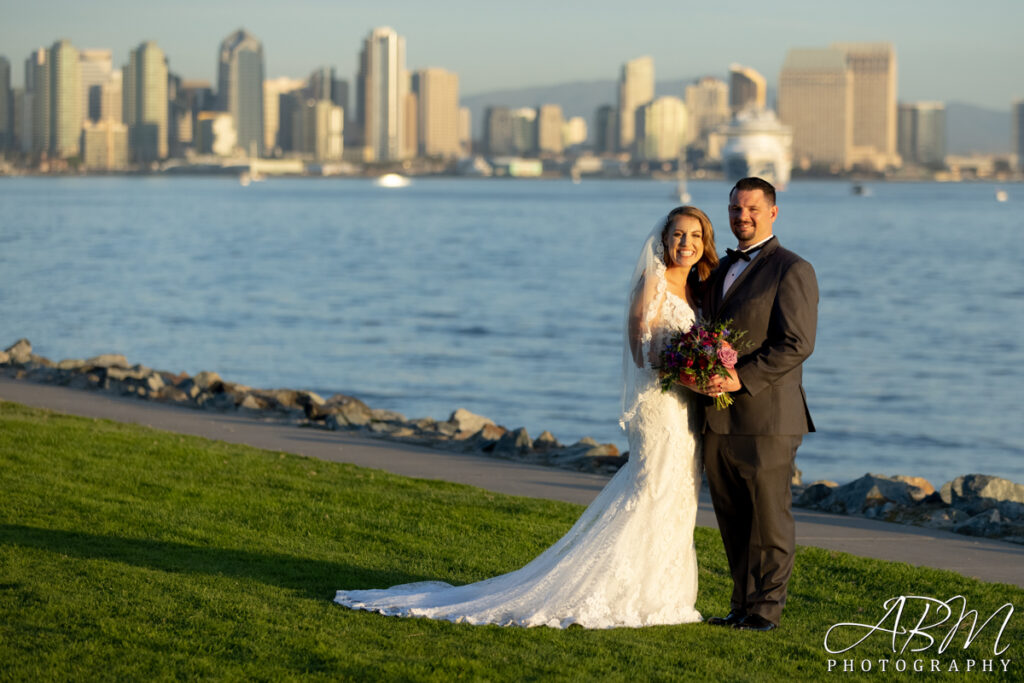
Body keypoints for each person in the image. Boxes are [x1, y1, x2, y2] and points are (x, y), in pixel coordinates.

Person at [334, 206, 719, 628]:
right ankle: (615, 591)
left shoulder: (698, 290)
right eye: (679, 235)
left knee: (679, 492)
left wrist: (702, 374)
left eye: (695, 236)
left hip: (687, 407)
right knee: (649, 489)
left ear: (705, 242)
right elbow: (639, 342)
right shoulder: (654, 281)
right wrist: (675, 370)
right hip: (659, 405)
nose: (687, 244)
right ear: (664, 240)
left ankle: (660, 593)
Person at [698, 177, 818, 632]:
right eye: (734, 209)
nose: (741, 217)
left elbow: (797, 343)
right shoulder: (716, 269)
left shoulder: (793, 268)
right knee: (733, 520)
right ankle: (740, 607)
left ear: (772, 212)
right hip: (716, 418)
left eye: (750, 209)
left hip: (768, 417)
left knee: (768, 521)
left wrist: (740, 377)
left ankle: (766, 612)